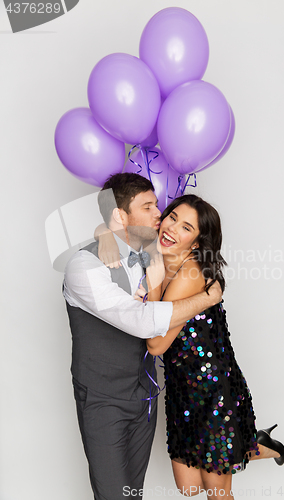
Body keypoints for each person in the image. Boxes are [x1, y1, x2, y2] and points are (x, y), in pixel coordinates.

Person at [99, 193, 284, 500]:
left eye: (186, 228)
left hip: (213, 391)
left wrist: (153, 269)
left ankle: (251, 444)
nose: (172, 228)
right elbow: (109, 226)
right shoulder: (158, 254)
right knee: (189, 489)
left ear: (197, 243)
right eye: (172, 217)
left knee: (216, 493)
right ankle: (256, 443)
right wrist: (117, 241)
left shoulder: (189, 273)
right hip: (180, 388)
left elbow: (156, 343)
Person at [63, 174, 223, 500]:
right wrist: (207, 298)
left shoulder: (153, 249)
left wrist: (107, 232)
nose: (159, 215)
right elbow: (141, 322)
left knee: (132, 492)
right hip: (104, 401)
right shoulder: (84, 267)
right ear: (121, 216)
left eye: (157, 205)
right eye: (148, 206)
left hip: (147, 397)